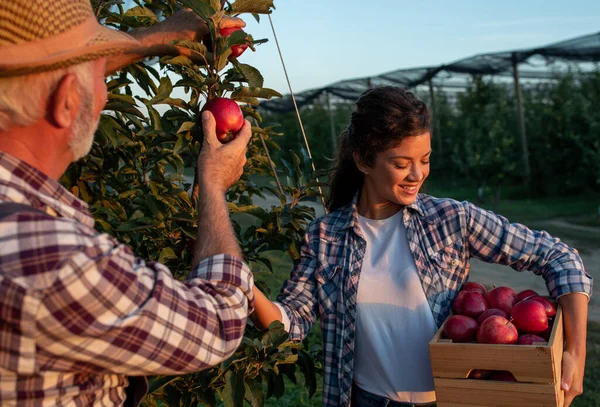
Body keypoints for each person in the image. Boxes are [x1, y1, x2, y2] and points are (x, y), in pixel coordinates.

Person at [251, 86, 593, 407]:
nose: (417, 174)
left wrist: (576, 352)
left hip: (449, 397)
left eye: (425, 160)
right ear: (363, 161)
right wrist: (247, 291)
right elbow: (290, 322)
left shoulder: (449, 220)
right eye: (401, 164)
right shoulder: (325, 236)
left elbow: (558, 256)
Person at [0, 1, 254, 406]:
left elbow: (54, 76)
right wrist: (212, 181)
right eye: (101, 76)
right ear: (67, 101)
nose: (103, 93)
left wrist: (155, 37)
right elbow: (219, 321)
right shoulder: (48, 257)